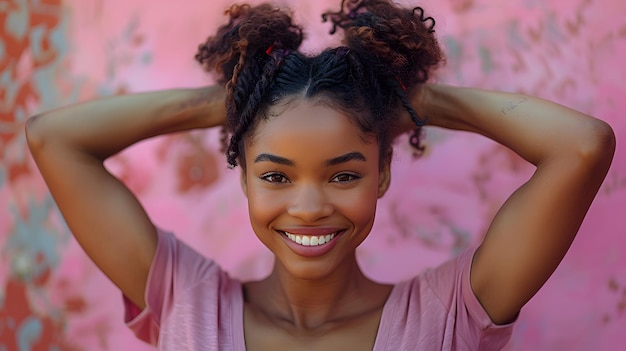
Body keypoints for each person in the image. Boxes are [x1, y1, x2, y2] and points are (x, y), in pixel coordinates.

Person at [25, 0, 615, 350]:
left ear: (382, 172)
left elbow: (583, 147)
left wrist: (410, 102)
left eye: (342, 175)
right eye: (277, 177)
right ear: (244, 177)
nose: (308, 207)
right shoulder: (186, 300)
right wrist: (236, 101)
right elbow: (54, 139)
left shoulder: (447, 315)